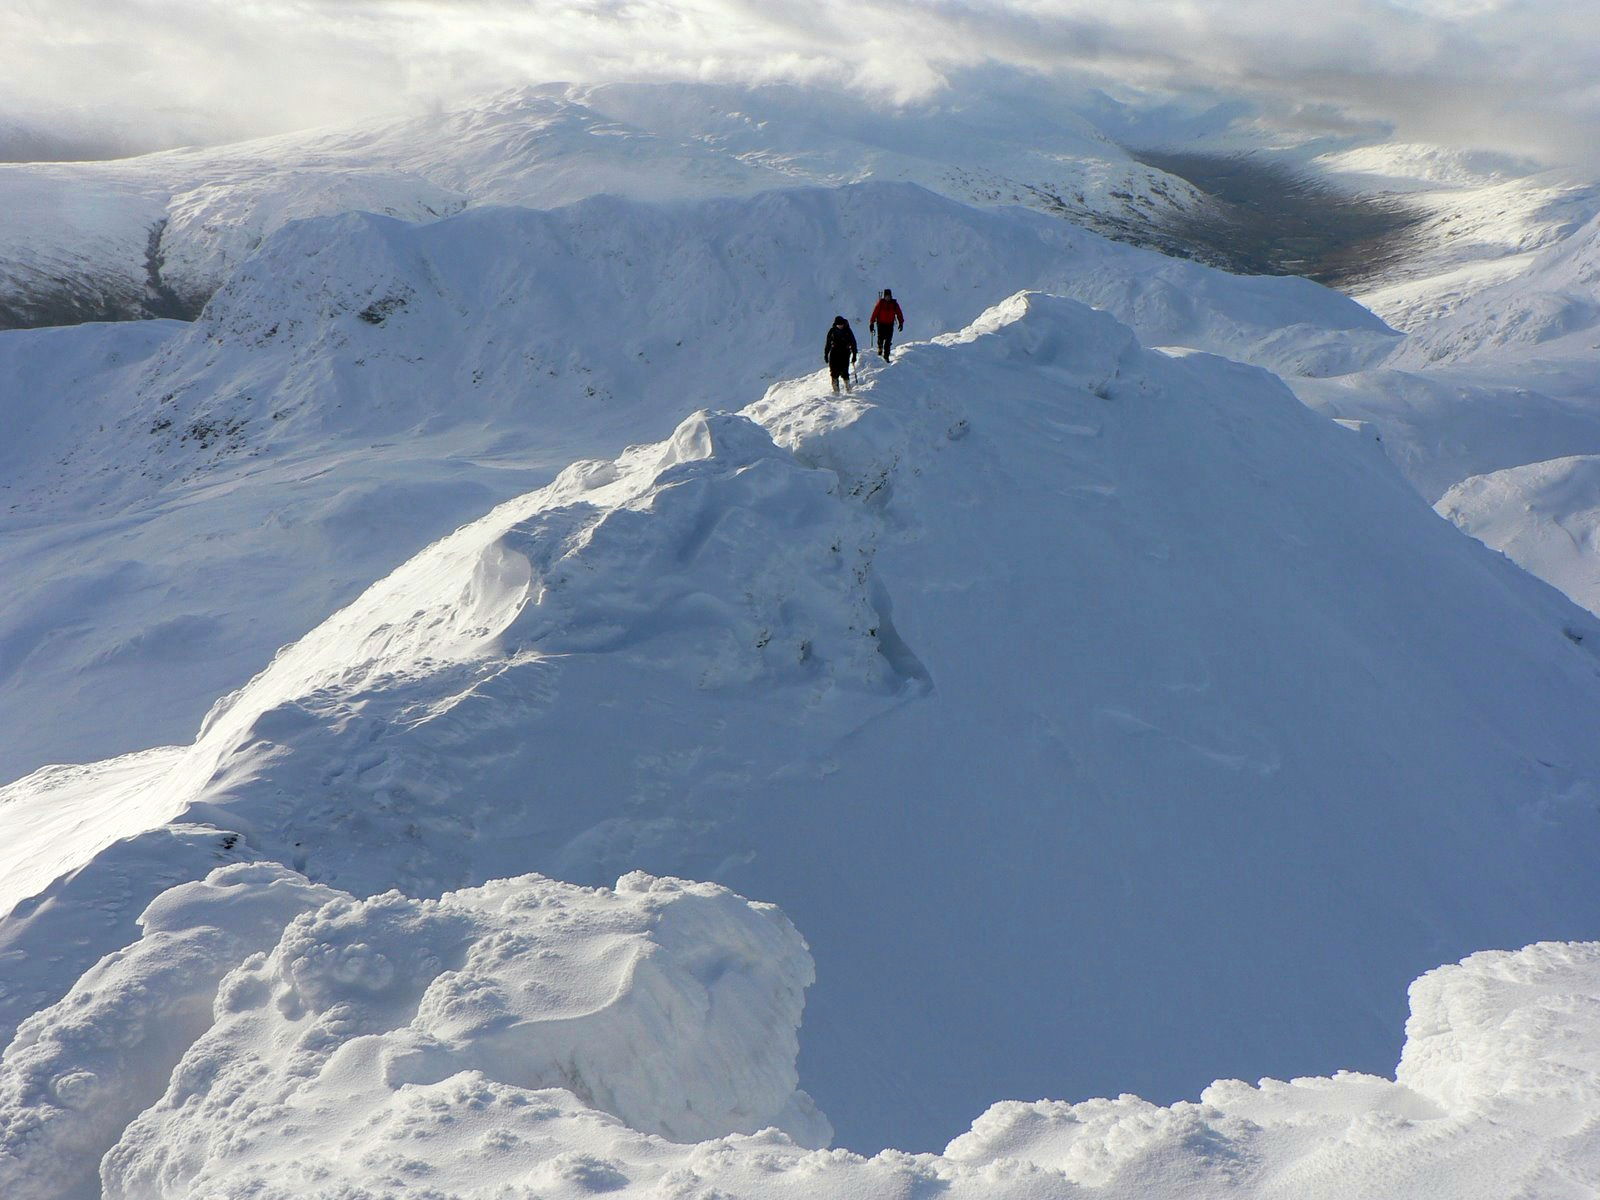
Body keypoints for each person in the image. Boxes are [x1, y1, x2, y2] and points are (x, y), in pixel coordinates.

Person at [824, 315, 857, 393]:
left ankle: (848, 389)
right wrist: (826, 354)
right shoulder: (832, 331)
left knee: (844, 371)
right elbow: (828, 343)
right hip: (834, 353)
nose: (840, 326)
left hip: (845, 353)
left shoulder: (847, 330)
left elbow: (853, 343)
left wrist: (854, 355)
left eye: (841, 324)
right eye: (838, 325)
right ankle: (836, 390)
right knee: (834, 371)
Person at [869, 288, 904, 362]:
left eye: (889, 296)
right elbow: (875, 312)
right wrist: (872, 322)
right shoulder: (880, 303)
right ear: (884, 296)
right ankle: (880, 348)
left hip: (890, 324)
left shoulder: (894, 304)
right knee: (880, 338)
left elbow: (899, 313)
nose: (887, 297)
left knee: (888, 341)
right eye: (886, 296)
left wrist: (901, 322)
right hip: (881, 324)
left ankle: (886, 356)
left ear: (891, 296)